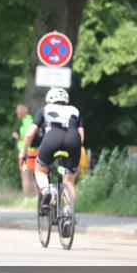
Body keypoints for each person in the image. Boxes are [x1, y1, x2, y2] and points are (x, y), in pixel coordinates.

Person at [20, 88, 85, 216]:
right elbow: (81, 136)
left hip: (52, 138)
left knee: (40, 170)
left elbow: (29, 134)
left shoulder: (45, 109)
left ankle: (48, 190)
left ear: (49, 99)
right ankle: (68, 214)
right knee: (69, 181)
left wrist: (24, 151)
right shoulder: (75, 111)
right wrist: (75, 148)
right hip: (73, 140)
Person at [12, 103, 37, 198]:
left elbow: (28, 136)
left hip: (26, 153)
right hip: (32, 152)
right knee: (31, 176)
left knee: (25, 176)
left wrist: (17, 137)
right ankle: (35, 198)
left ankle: (27, 198)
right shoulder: (30, 120)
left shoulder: (27, 121)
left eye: (18, 112)